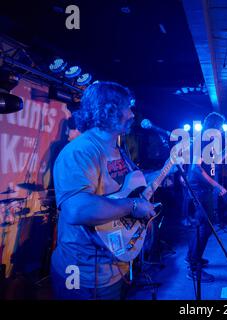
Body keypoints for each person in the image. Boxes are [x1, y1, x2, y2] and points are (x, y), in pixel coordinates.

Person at [50, 81, 156, 299]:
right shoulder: (81, 151)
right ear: (110, 110)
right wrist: (134, 206)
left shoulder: (116, 148)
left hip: (112, 268)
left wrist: (167, 171)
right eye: (128, 107)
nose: (132, 114)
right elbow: (75, 210)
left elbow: (127, 189)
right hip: (81, 272)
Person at [186, 112, 227, 283]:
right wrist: (217, 185)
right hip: (199, 189)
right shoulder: (201, 140)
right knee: (206, 226)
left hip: (204, 189)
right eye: (219, 128)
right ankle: (194, 268)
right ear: (214, 126)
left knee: (205, 226)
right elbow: (196, 169)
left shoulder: (209, 142)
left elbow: (215, 161)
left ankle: (192, 258)